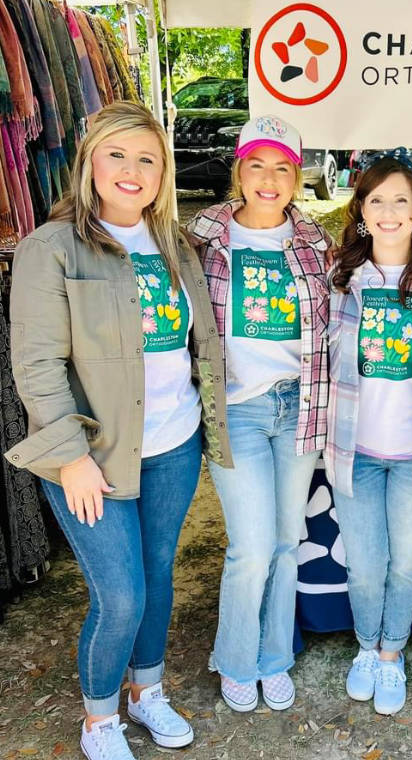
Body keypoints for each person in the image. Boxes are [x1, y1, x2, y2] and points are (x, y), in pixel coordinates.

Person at [5, 101, 232, 760]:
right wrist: (70, 458)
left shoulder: (176, 245)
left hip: (173, 447)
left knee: (157, 578)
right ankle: (99, 718)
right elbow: (37, 365)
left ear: (163, 173)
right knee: (121, 595)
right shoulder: (51, 248)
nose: (131, 170)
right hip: (93, 458)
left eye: (147, 159)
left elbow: (197, 344)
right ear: (89, 163)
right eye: (117, 155)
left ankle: (146, 690)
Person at [186, 115, 332, 713]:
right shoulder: (202, 237)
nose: (268, 180)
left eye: (282, 168)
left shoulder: (317, 242)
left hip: (299, 405)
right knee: (250, 546)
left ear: (296, 176)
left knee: (285, 541)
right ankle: (236, 659)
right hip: (237, 409)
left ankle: (274, 658)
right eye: (256, 166)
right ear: (239, 171)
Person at [325, 149, 412, 715]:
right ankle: (365, 647)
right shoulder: (342, 277)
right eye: (376, 200)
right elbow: (325, 356)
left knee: (404, 563)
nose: (388, 212)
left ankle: (390, 655)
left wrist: (407, 329)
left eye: (400, 201)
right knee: (363, 566)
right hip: (355, 448)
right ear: (361, 210)